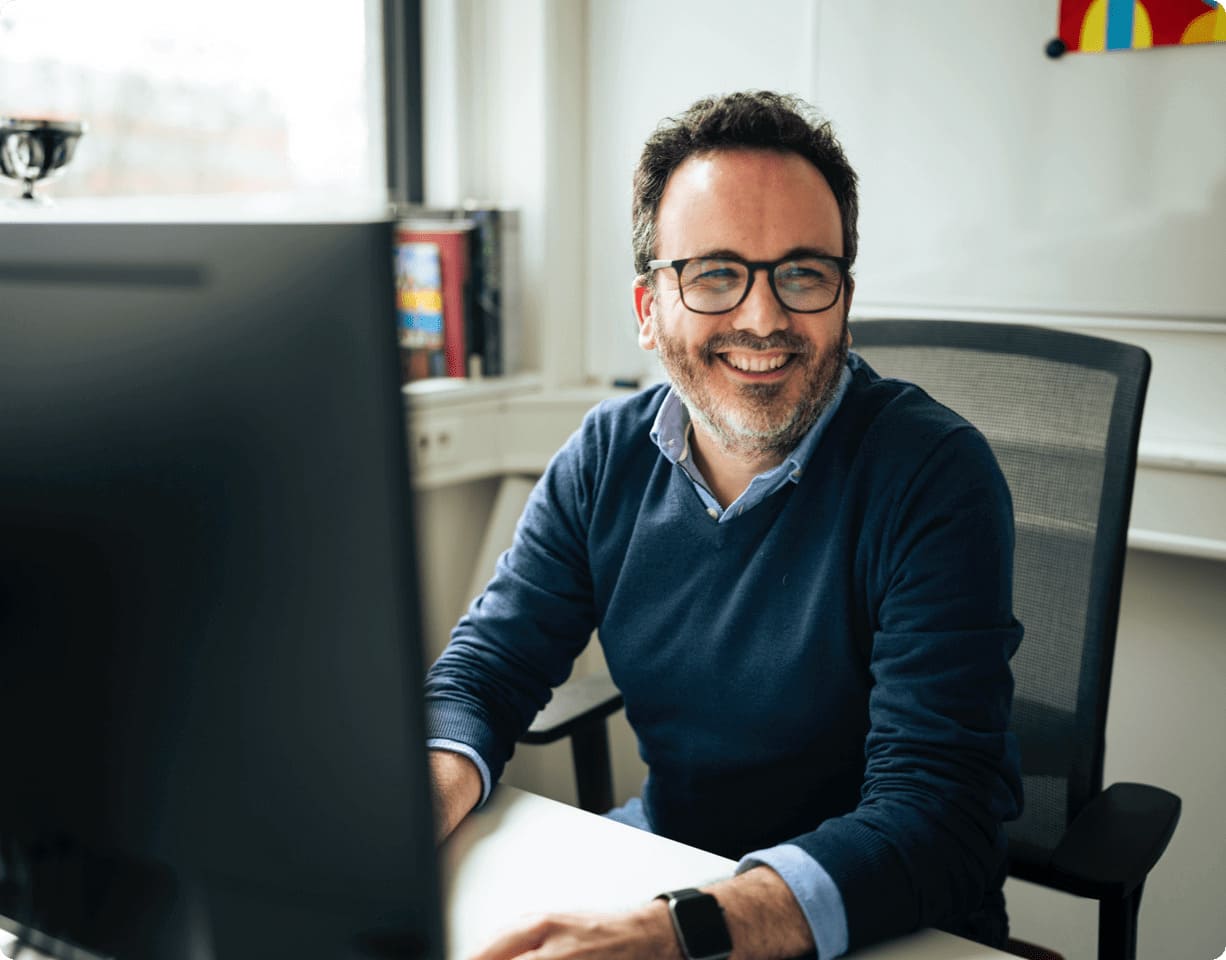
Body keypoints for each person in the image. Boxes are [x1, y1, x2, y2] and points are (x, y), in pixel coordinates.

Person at [425, 90, 1023, 960]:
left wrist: (688, 927)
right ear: (647, 310)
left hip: (881, 923)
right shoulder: (605, 455)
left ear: (843, 298)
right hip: (670, 870)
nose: (763, 317)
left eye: (804, 273)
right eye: (713, 274)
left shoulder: (934, 475)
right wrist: (423, 797)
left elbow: (941, 815)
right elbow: (484, 671)